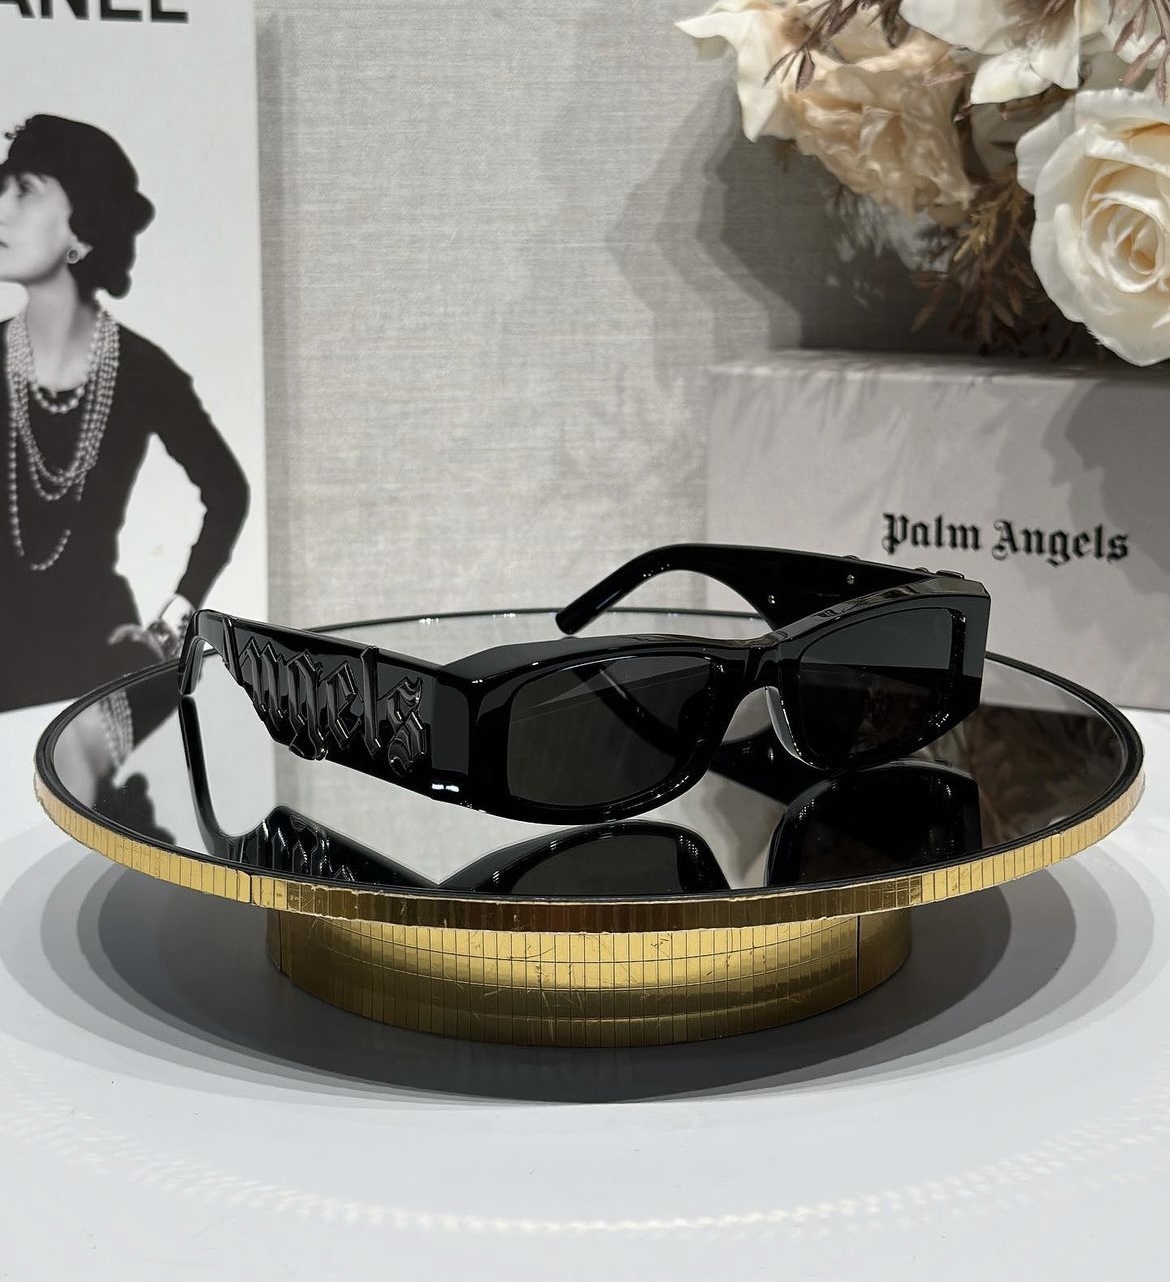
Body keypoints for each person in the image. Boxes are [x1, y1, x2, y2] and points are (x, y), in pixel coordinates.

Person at [0, 113, 249, 719]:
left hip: (97, 666)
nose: (1, 206)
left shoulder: (141, 370)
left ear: (82, 230)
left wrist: (176, 619)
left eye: (25, 189)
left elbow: (228, 492)